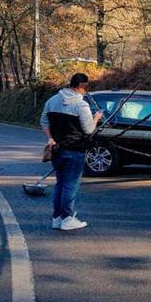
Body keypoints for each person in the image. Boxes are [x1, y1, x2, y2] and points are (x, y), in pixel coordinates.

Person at [40, 73, 102, 231]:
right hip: (74, 150)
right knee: (70, 186)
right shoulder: (81, 105)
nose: (85, 92)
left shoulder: (52, 100)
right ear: (82, 87)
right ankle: (67, 218)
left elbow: (44, 121)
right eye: (86, 88)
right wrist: (96, 118)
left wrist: (50, 139)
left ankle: (57, 218)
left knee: (60, 184)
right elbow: (88, 130)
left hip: (56, 149)